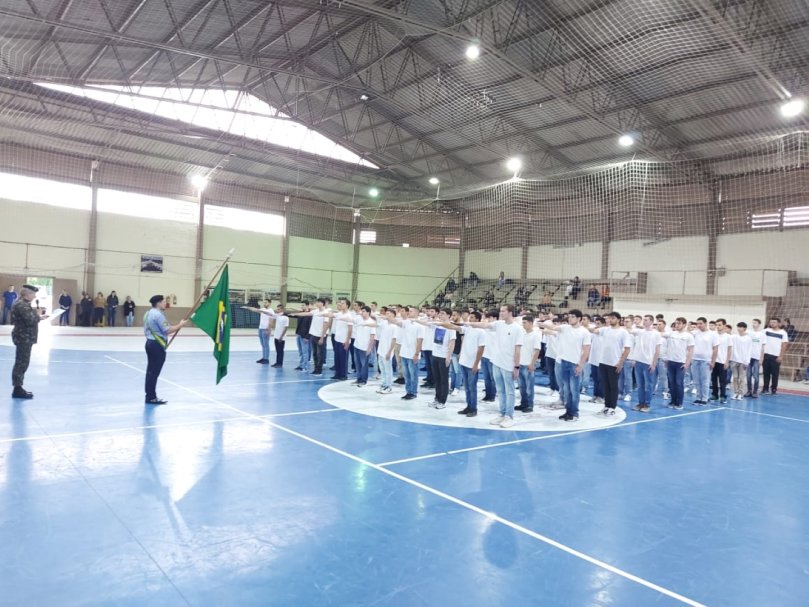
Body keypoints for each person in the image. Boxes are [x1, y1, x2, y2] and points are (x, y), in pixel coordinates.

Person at [143, 295, 187, 404]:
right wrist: (180, 325)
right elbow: (167, 330)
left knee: (150, 372)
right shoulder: (158, 315)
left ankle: (149, 395)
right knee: (154, 373)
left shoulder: (148, 313)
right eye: (163, 302)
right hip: (157, 346)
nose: (165, 304)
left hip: (149, 343)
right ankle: (151, 397)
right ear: (158, 303)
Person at [10, 285, 49, 399]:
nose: (34, 296)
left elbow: (30, 318)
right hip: (23, 337)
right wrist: (37, 315)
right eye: (33, 294)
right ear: (27, 294)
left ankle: (18, 387)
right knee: (21, 363)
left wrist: (40, 317)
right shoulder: (21, 305)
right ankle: (17, 389)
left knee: (23, 362)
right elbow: (30, 320)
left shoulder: (23, 304)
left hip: (25, 337)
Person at [761, 317, 789, 396]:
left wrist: (781, 356)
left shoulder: (783, 333)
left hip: (776, 356)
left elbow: (784, 345)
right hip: (766, 355)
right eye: (771, 322)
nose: (772, 323)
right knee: (766, 373)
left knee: (775, 374)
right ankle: (765, 389)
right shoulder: (765, 331)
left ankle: (773, 389)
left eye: (774, 322)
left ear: (779, 323)